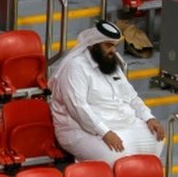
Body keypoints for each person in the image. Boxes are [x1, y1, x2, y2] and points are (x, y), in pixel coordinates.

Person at [48, 20, 165, 164]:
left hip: (121, 123)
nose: (113, 51)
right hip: (82, 130)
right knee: (114, 157)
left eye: (115, 46)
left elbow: (131, 96)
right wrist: (105, 133)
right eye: (108, 45)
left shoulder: (109, 64)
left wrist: (149, 117)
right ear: (93, 44)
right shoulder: (75, 67)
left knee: (157, 139)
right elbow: (79, 108)